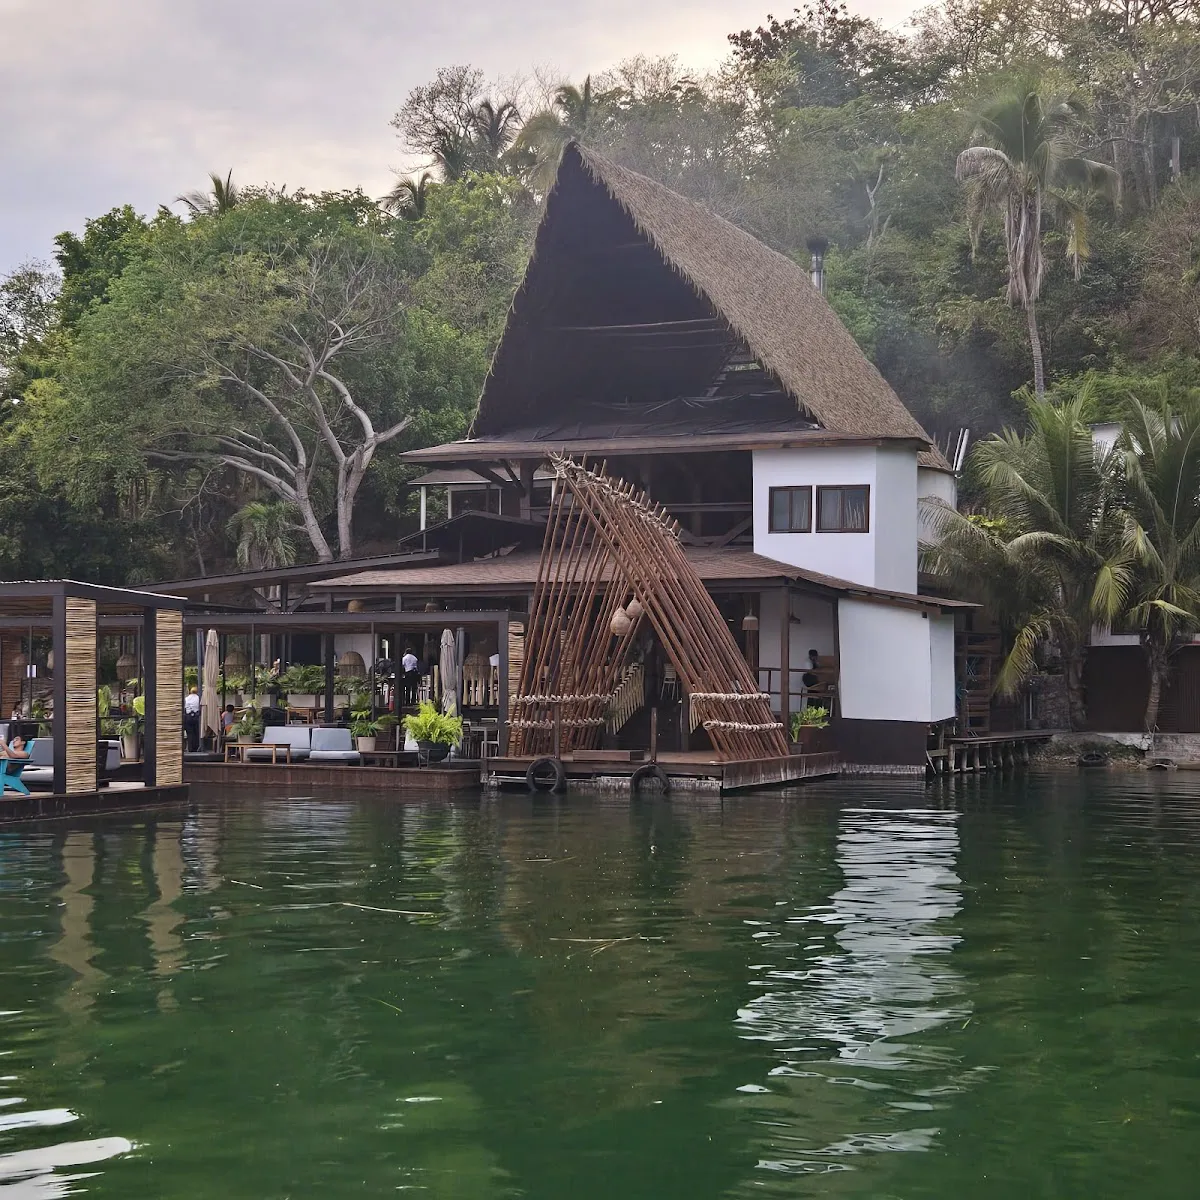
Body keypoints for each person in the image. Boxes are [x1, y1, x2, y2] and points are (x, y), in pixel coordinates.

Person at [184, 685, 201, 752]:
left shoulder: (186, 698)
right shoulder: (199, 698)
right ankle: (196, 747)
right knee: (197, 733)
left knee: (190, 733)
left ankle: (190, 748)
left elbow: (184, 708)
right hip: (196, 717)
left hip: (188, 717)